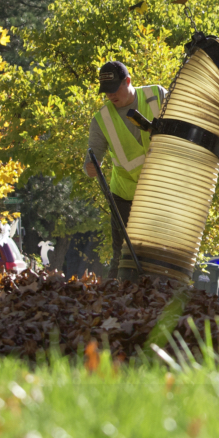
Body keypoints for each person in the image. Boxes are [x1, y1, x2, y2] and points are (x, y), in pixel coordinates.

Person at [84, 61, 166, 276]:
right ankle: (116, 299)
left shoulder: (157, 95)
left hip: (163, 193)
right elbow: (92, 155)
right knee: (122, 257)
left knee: (162, 255)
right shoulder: (101, 120)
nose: (110, 96)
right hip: (125, 198)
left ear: (127, 81)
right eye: (106, 92)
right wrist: (90, 167)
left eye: (114, 89)